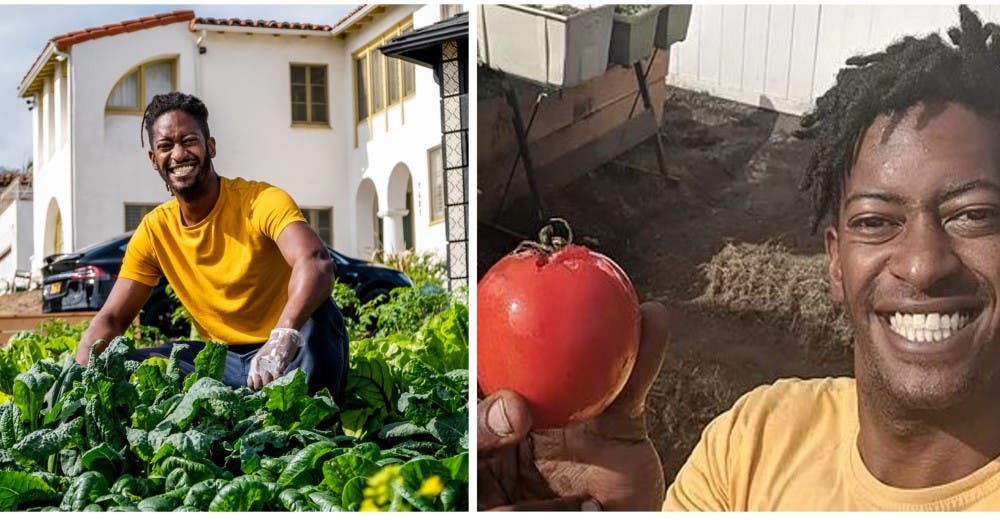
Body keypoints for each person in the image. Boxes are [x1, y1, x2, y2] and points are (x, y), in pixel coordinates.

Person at [478, 5, 1000, 511]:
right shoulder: (752, 443)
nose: (923, 264)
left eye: (974, 214)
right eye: (876, 221)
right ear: (836, 262)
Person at [74, 92, 348, 400]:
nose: (178, 154)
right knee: (121, 364)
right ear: (154, 159)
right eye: (165, 146)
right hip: (225, 360)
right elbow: (112, 319)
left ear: (210, 147)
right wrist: (74, 378)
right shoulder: (155, 230)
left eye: (189, 141)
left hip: (291, 347)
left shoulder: (259, 201)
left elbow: (316, 262)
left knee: (319, 320)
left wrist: (283, 335)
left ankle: (309, 424)